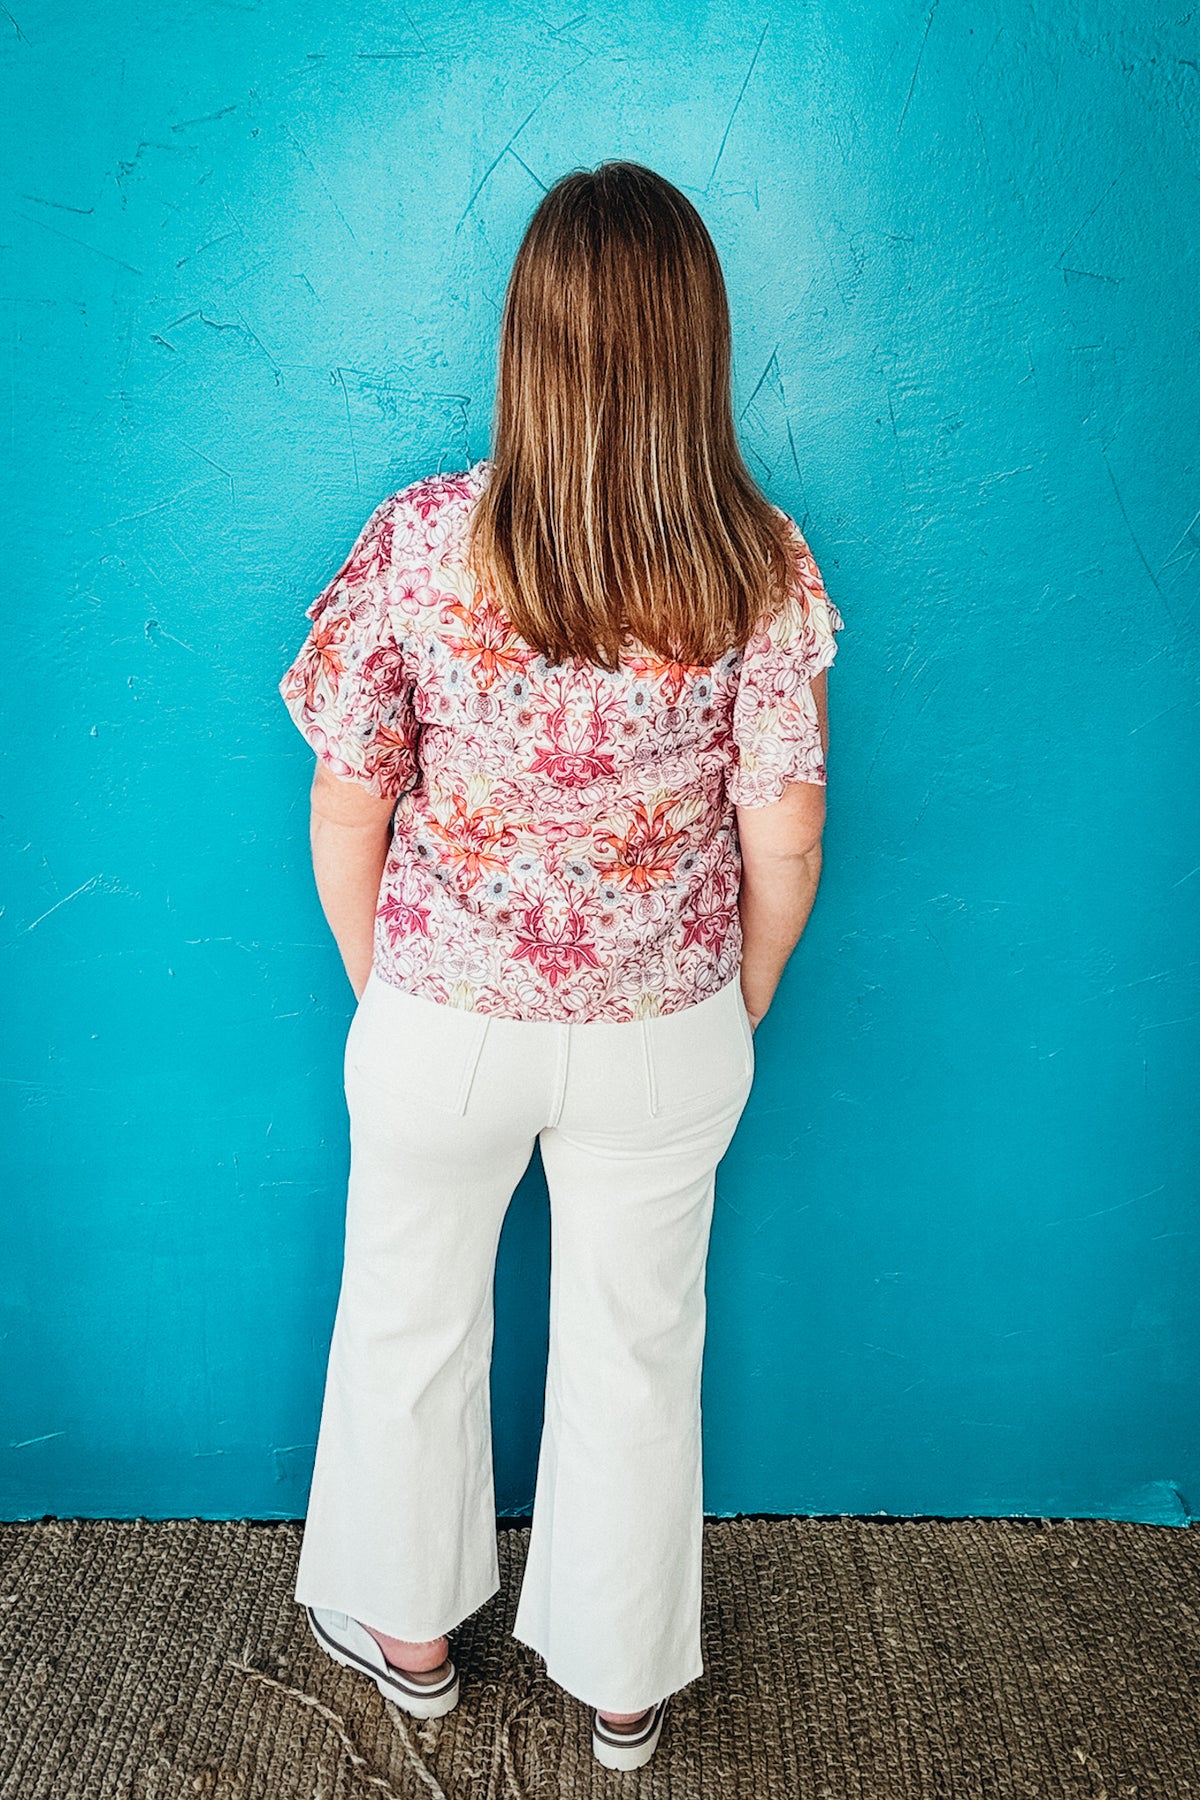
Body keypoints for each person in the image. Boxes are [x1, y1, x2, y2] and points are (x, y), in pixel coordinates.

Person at [277, 160, 844, 1773]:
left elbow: (346, 793)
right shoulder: (757, 562)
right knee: (638, 1342)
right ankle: (621, 1684)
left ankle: (411, 1641)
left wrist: (386, 985)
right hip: (663, 1024)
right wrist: (733, 1003)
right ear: (695, 343)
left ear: (529, 337)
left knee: (407, 1315)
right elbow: (788, 837)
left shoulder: (422, 540)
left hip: (443, 1013)